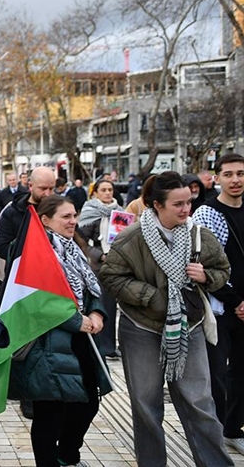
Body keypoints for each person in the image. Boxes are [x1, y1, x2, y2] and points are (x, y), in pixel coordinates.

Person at [100, 171, 234, 466]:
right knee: (146, 406)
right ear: (156, 204)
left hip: (190, 326)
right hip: (141, 329)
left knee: (200, 403)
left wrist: (206, 276)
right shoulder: (131, 237)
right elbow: (111, 276)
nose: (186, 209)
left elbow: (223, 271)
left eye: (188, 202)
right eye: (178, 204)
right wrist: (151, 297)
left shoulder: (199, 233)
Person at [10, 195, 111, 467]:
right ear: (45, 220)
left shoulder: (75, 247)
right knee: (50, 413)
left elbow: (90, 288)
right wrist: (74, 321)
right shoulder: (26, 250)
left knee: (89, 404)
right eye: (66, 216)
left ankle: (68, 455)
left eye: (74, 215)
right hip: (46, 342)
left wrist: (96, 312)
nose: (73, 221)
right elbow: (33, 299)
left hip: (82, 342)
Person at [192, 153, 244, 454]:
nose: (235, 180)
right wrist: (236, 301)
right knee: (216, 374)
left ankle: (233, 427)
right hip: (219, 307)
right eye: (228, 174)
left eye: (240, 173)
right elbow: (205, 266)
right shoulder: (208, 213)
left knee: (241, 371)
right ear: (217, 177)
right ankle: (215, 430)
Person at [0, 166, 56, 419]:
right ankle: (28, 395)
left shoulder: (59, 207)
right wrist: (28, 250)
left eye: (53, 188)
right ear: (29, 186)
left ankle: (50, 389)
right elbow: (1, 246)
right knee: (27, 345)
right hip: (23, 287)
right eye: (44, 188)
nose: (49, 193)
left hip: (53, 287)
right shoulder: (13, 211)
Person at [76, 179, 123, 358]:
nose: (107, 193)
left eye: (110, 189)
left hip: (117, 264)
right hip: (97, 265)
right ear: (95, 193)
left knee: (112, 307)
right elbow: (80, 240)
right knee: (100, 306)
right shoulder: (90, 213)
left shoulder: (120, 212)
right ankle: (100, 346)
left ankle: (110, 346)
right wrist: (99, 255)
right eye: (103, 190)